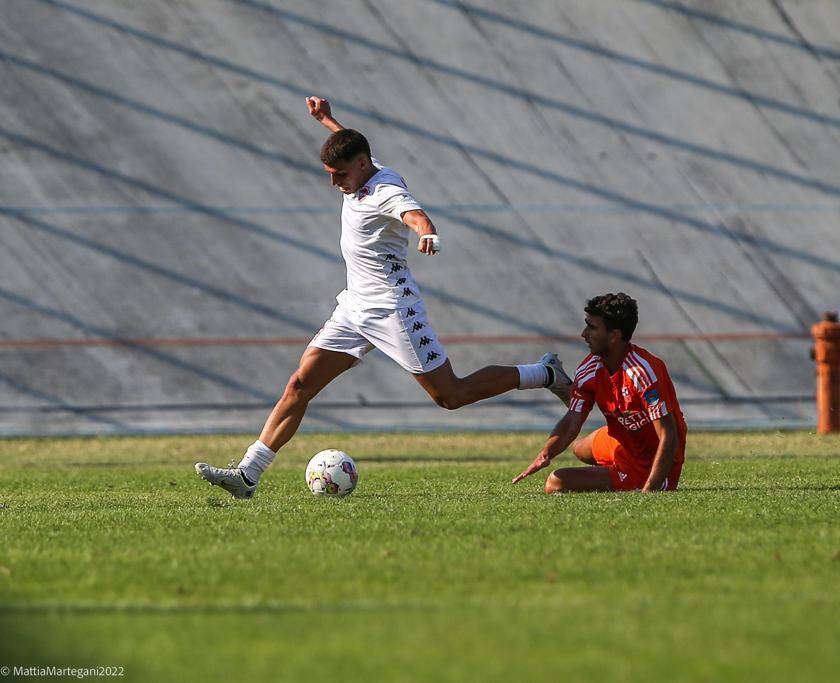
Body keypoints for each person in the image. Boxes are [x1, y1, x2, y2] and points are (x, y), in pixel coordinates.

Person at [196, 96, 570, 499]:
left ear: (360, 166)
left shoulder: (385, 190)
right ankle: (248, 476)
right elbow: (348, 143)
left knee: (451, 396)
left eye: (338, 174)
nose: (334, 183)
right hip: (354, 308)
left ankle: (544, 373)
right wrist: (327, 121)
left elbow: (413, 214)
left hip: (395, 309)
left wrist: (426, 232)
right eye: (329, 174)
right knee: (300, 384)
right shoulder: (359, 167)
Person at [512, 293, 686, 493]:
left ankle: (620, 475)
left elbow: (668, 434)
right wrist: (545, 454)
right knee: (579, 448)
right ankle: (612, 472)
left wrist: (650, 491)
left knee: (555, 482)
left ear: (614, 336)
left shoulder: (642, 372)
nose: (583, 334)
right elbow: (571, 421)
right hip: (623, 440)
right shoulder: (590, 369)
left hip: (649, 460)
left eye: (592, 328)